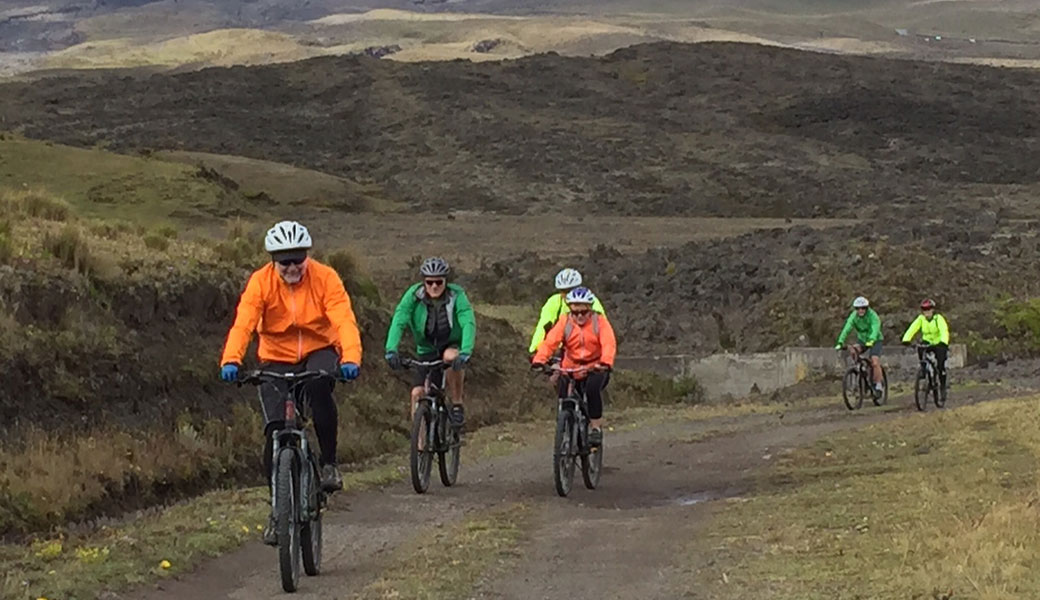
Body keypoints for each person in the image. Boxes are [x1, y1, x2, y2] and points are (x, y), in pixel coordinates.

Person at [219, 220, 362, 544]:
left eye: (298, 258)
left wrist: (351, 357)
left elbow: (343, 319)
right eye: (284, 261)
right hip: (276, 357)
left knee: (319, 385)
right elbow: (244, 324)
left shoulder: (325, 277)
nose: (292, 267)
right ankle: (277, 511)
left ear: (306, 256)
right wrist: (231, 359)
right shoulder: (260, 283)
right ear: (273, 261)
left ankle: (328, 464)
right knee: (274, 433)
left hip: (318, 349)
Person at [384, 257, 476, 430]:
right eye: (429, 282)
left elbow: (467, 321)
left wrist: (465, 351)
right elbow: (399, 319)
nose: (434, 286)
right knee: (417, 394)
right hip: (426, 348)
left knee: (450, 357)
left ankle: (457, 404)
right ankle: (419, 450)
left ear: (445, 282)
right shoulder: (413, 296)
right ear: (424, 282)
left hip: (450, 343)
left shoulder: (457, 295)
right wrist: (391, 349)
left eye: (439, 282)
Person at [531, 287, 616, 447]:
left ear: (590, 310)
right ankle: (565, 426)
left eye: (583, 312)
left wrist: (605, 363)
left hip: (595, 366)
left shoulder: (600, 322)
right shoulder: (565, 321)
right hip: (571, 366)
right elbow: (550, 342)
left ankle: (595, 427)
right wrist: (539, 360)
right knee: (563, 390)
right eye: (575, 312)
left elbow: (608, 343)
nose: (579, 316)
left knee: (592, 389)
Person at [528, 268, 606, 354]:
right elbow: (543, 326)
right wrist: (535, 349)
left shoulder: (592, 302)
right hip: (561, 349)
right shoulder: (554, 302)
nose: (567, 294)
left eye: (570, 290)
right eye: (563, 291)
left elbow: (603, 328)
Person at [835, 296, 884, 396]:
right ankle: (860, 371)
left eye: (863, 308)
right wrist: (840, 342)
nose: (860, 310)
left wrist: (872, 340)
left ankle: (878, 384)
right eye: (858, 308)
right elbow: (847, 328)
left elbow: (875, 328)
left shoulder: (873, 316)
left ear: (867, 308)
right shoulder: (854, 316)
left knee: (874, 361)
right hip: (862, 340)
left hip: (875, 340)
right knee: (854, 350)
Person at [901, 298, 950, 398]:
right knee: (921, 348)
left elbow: (944, 330)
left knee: (940, 366)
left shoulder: (938, 318)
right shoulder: (921, 319)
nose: (926, 312)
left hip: (939, 343)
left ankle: (943, 387)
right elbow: (912, 328)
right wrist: (906, 339)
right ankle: (924, 370)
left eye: (928, 309)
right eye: (924, 309)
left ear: (933, 310)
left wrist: (944, 342)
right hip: (927, 341)